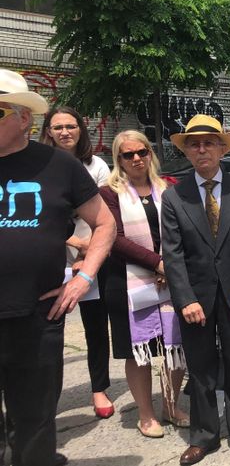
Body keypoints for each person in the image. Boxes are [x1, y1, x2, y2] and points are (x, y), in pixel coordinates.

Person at [0, 69, 115, 466]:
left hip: (37, 315)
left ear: (23, 119)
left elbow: (105, 223)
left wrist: (83, 277)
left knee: (34, 423)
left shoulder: (58, 166)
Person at [162, 114, 230, 466]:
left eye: (209, 142)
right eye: (194, 144)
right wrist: (185, 298)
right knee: (202, 369)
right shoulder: (175, 197)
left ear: (222, 148)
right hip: (196, 299)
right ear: (187, 151)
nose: (202, 149)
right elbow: (172, 253)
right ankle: (203, 435)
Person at [99, 130, 189, 439]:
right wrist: (158, 263)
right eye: (128, 154)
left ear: (150, 153)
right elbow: (115, 238)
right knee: (138, 353)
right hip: (126, 283)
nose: (137, 158)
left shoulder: (169, 188)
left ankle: (171, 405)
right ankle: (146, 415)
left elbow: (182, 230)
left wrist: (170, 265)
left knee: (175, 344)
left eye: (142, 152)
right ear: (118, 159)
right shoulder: (108, 193)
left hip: (171, 279)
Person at [40, 106, 115, 419]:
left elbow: (98, 213)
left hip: (91, 258)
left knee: (96, 327)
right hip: (53, 257)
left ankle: (99, 388)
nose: (65, 132)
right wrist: (71, 241)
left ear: (81, 130)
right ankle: (45, 395)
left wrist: (88, 251)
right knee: (49, 327)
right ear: (48, 131)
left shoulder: (95, 165)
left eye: (71, 126)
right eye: (57, 127)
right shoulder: (37, 164)